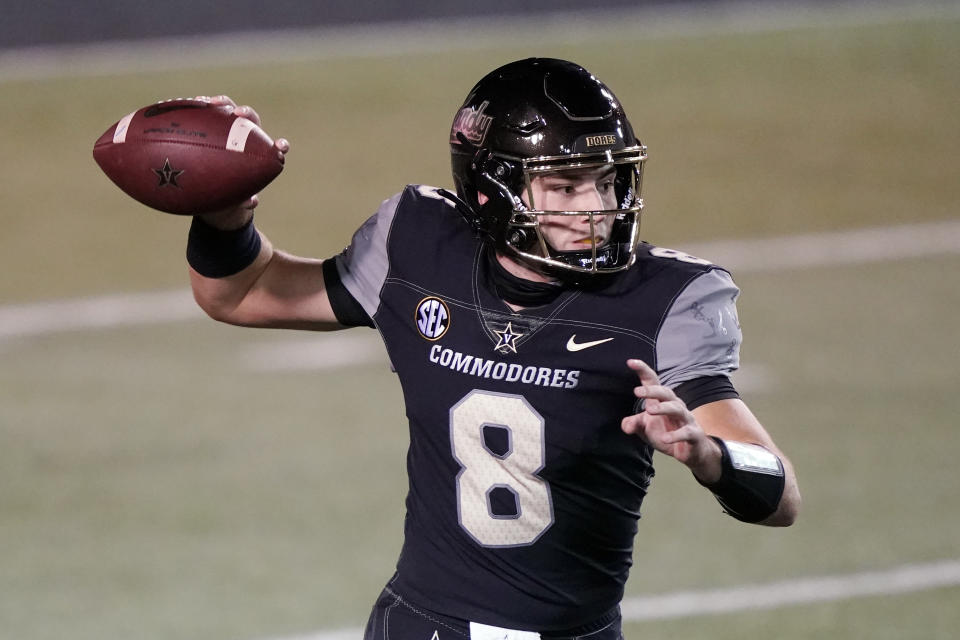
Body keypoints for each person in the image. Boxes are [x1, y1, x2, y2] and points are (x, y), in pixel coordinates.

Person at [184, 58, 800, 639]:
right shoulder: (420, 246)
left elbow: (780, 496)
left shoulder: (662, 299)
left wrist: (709, 454)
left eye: (608, 182)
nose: (596, 208)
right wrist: (222, 215)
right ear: (490, 190)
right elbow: (241, 294)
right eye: (564, 185)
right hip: (423, 626)